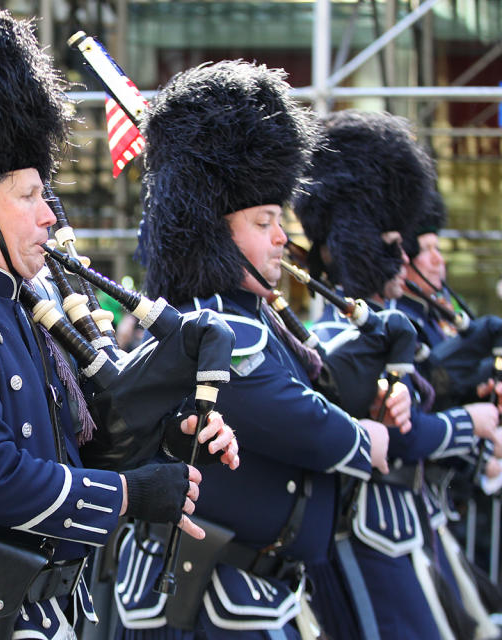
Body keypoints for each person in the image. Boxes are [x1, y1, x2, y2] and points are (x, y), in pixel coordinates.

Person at [0, 2, 238, 638]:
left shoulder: (20, 302)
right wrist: (132, 497)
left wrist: (170, 443)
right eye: (30, 196)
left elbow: (74, 449)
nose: (49, 218)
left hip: (45, 610)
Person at [120, 61, 397, 639]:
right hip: (214, 602)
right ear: (215, 231)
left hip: (252, 591)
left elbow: (319, 381)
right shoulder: (219, 325)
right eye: (265, 220)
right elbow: (290, 414)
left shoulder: (247, 316)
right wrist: (364, 437)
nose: (281, 237)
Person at [296, 109, 502, 639]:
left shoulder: (380, 326)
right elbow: (400, 435)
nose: (405, 256)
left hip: (405, 521)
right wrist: (472, 423)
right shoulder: (345, 333)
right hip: (365, 528)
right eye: (398, 245)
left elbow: (429, 387)